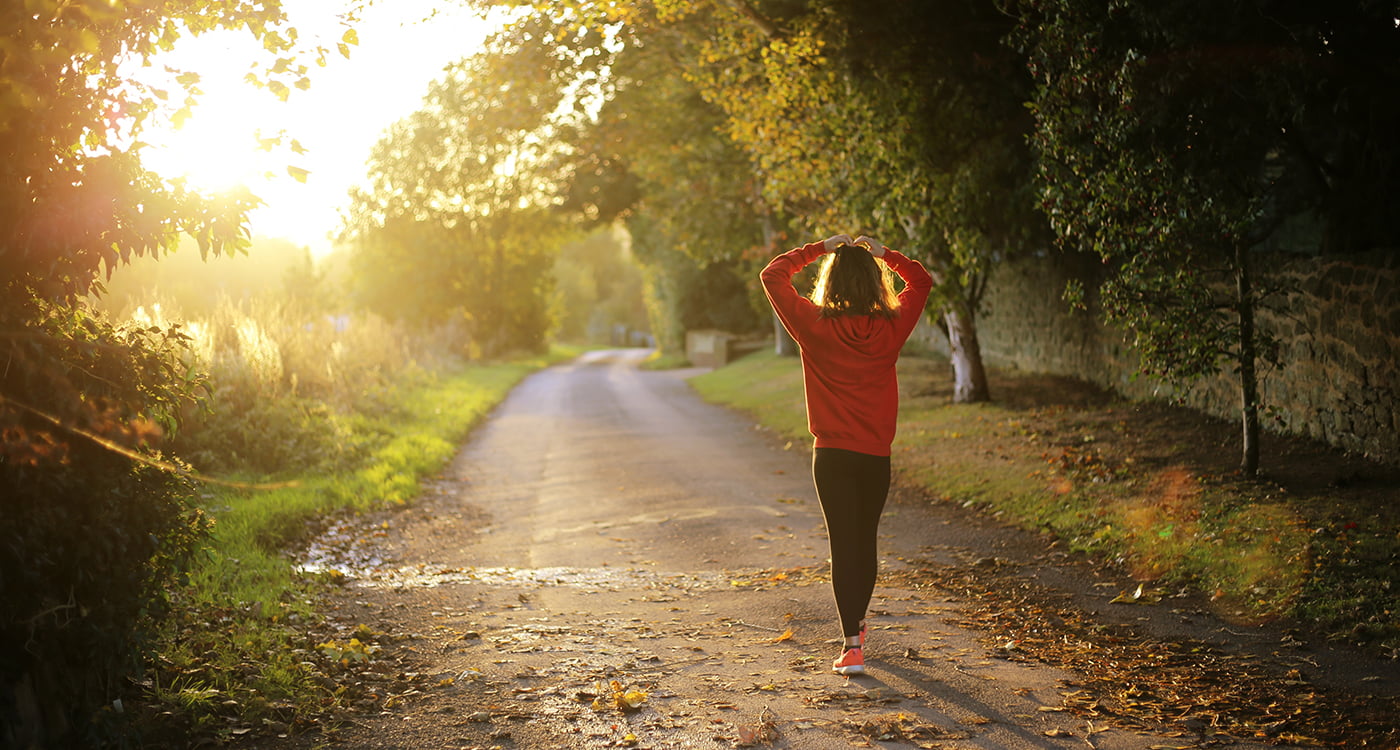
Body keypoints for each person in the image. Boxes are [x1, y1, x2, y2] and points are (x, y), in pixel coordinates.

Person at [760, 233, 933, 676]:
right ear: (876, 284)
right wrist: (885, 255)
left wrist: (819, 248)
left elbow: (773, 275)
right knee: (865, 541)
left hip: (832, 455)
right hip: (875, 455)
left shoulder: (813, 325)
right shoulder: (892, 326)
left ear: (830, 282)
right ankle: (856, 628)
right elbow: (922, 280)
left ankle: (852, 645)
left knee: (843, 544)